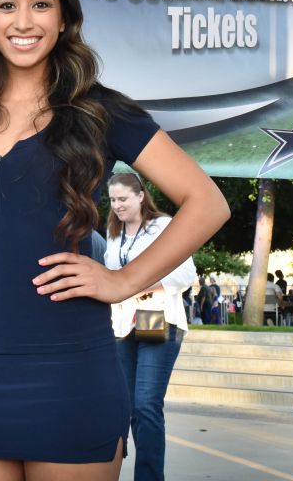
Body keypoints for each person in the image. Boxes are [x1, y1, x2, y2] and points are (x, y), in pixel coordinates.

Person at [0, 0, 229, 479]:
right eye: (7, 5)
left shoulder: (102, 111)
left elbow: (208, 203)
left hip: (73, 371)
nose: (24, 21)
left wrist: (124, 281)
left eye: (41, 5)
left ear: (64, 19)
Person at [103, 172, 198, 481]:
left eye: (123, 199)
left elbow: (184, 275)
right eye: (113, 200)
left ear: (141, 196)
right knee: (128, 407)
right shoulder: (113, 233)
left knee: (146, 405)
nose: (117, 205)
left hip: (158, 319)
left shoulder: (163, 227)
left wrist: (137, 281)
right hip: (121, 326)